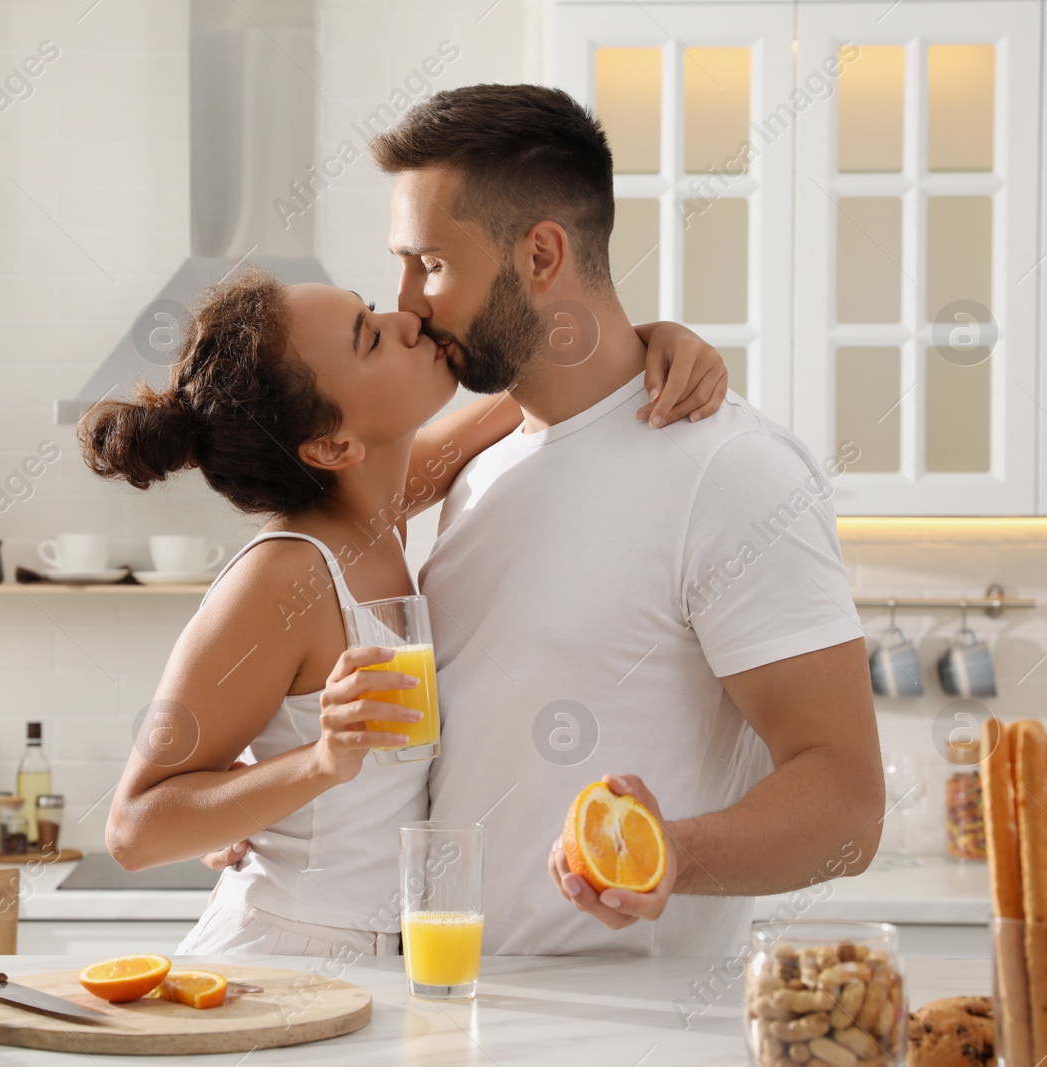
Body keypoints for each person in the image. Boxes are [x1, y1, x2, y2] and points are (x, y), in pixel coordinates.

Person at [365, 84, 884, 957]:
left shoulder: (730, 470)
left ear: (540, 255)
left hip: (630, 1032)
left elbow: (847, 805)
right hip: (457, 1009)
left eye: (432, 264)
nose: (405, 302)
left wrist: (671, 852)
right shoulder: (484, 468)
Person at [85, 264, 731, 958]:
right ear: (333, 445)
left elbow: (528, 404)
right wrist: (322, 762)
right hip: (276, 960)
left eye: (369, 309)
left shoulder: (373, 514)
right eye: (370, 338)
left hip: (378, 967)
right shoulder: (285, 576)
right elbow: (133, 829)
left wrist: (651, 345)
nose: (404, 320)